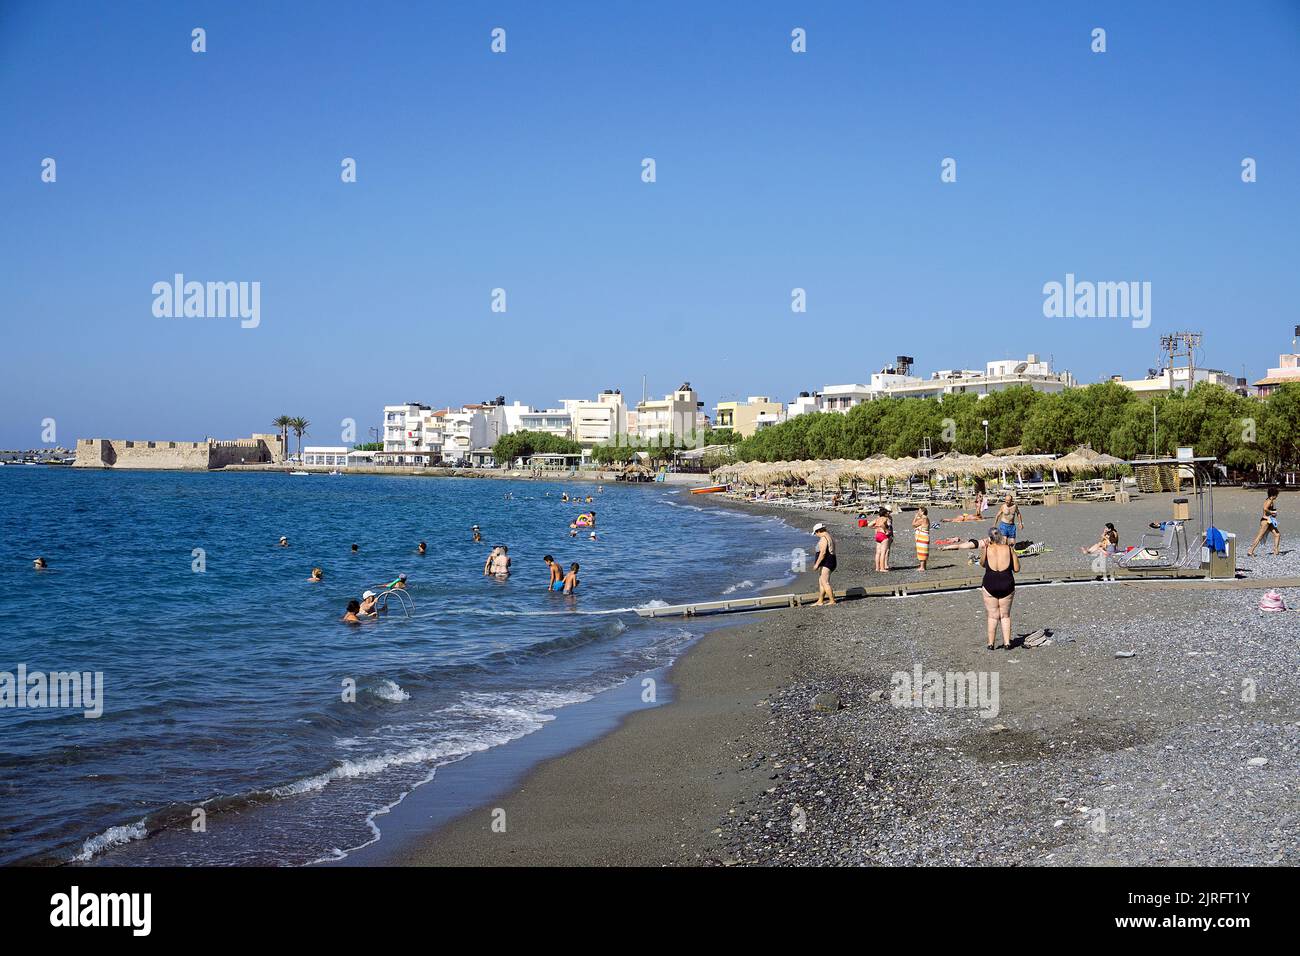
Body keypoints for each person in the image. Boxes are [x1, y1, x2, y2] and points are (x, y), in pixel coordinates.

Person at [980, 529, 1019, 650]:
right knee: (1005, 615)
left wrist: (984, 550)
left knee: (992, 616)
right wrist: (1013, 553)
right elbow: (1016, 569)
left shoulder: (987, 548)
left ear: (989, 538)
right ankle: (1007, 643)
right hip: (1006, 583)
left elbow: (982, 564)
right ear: (1001, 537)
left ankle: (991, 644)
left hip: (990, 583)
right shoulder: (1008, 548)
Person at [1247, 487, 1281, 557]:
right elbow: (1265, 508)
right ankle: (1250, 551)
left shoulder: (1269, 500)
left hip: (1270, 520)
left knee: (1277, 534)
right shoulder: (1269, 501)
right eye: (1276, 495)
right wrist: (1271, 512)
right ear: (1274, 495)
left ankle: (1276, 551)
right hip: (1265, 521)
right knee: (1260, 536)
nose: (1277, 496)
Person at [811, 522, 836, 606]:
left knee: (825, 582)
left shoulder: (823, 538)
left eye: (815, 533)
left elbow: (823, 553)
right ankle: (820, 600)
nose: (816, 535)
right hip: (830, 560)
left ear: (818, 531)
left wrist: (816, 564)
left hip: (827, 562)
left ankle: (832, 600)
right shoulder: (829, 536)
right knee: (821, 581)